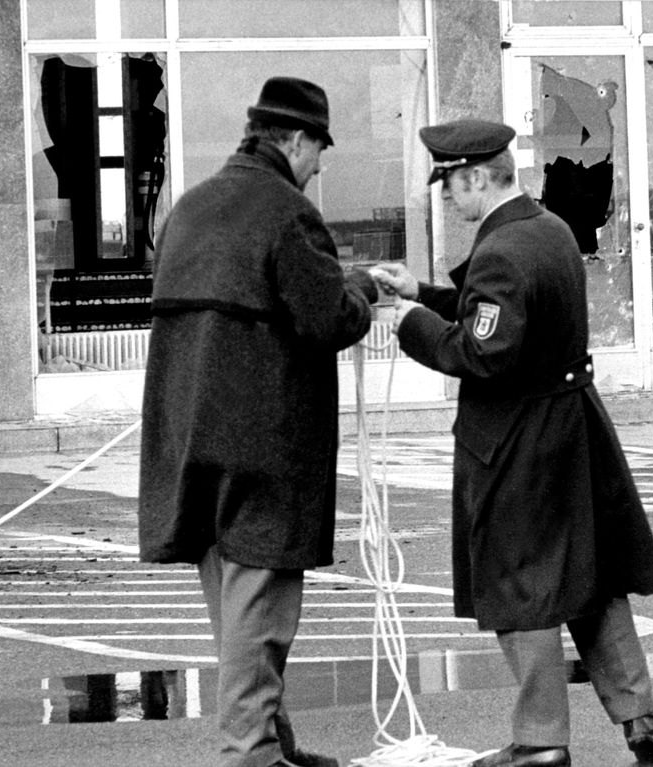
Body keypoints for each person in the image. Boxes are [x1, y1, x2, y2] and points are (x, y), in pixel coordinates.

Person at [371, 119, 653, 767]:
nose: (448, 197)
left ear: (478, 176)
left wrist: (410, 324)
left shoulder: (501, 249)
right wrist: (420, 292)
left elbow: (485, 352)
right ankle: (638, 713)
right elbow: (500, 312)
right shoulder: (549, 228)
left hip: (517, 441)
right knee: (589, 580)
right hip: (573, 428)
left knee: (522, 586)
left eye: (451, 183)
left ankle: (540, 741)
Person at [138, 76, 377, 767]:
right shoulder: (286, 213)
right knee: (261, 611)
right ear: (295, 140)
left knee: (234, 609)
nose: (321, 165)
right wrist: (361, 288)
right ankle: (249, 752)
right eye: (319, 148)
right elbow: (326, 317)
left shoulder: (191, 207)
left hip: (187, 435)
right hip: (262, 441)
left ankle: (272, 744)